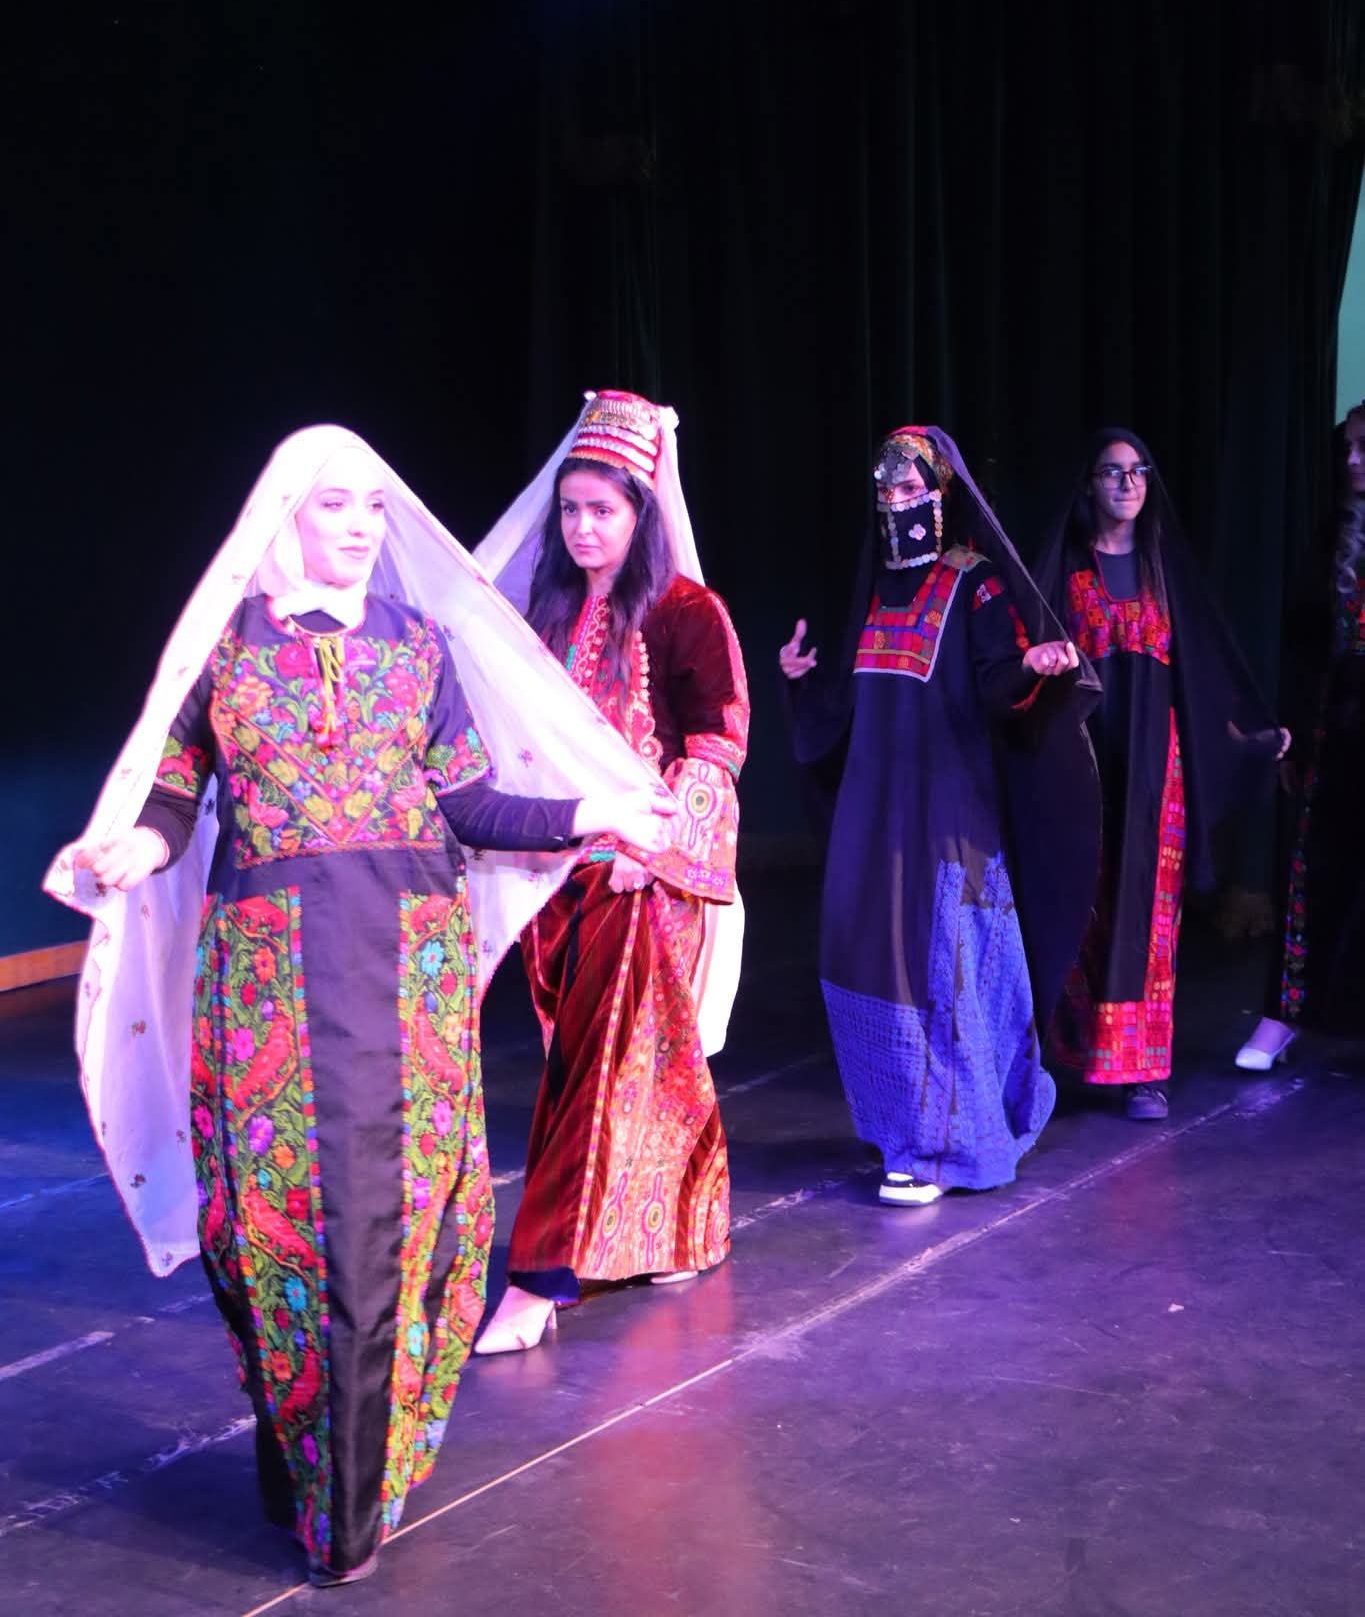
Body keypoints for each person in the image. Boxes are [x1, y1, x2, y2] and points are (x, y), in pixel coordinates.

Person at [44, 426, 676, 1589]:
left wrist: (596, 811)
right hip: (268, 986)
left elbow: (474, 804)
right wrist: (133, 847)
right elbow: (174, 798)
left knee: (396, 1229)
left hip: (406, 979)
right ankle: (312, 1472)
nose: (360, 524)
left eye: (374, 507)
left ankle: (352, 1501)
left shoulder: (419, 646)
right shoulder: (224, 653)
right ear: (284, 511)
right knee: (275, 1227)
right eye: (336, 502)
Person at [471, 390, 749, 1353]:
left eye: (603, 510)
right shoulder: (544, 612)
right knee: (642, 1065)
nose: (583, 528)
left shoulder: (686, 612)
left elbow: (717, 746)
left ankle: (538, 1279)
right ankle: (689, 1225)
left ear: (641, 513)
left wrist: (654, 850)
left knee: (591, 1075)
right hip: (558, 873)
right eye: (571, 510)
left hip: (645, 877)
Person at [781, 426, 1100, 1206]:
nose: (895, 502)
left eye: (909, 488)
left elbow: (995, 684)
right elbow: (848, 698)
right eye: (884, 490)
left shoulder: (973, 582)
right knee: (871, 966)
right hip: (873, 809)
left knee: (940, 968)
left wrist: (1029, 666)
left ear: (939, 494)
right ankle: (900, 1130)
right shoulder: (871, 583)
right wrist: (800, 682)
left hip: (944, 808)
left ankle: (946, 1148)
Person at [1037, 428, 1285, 1120]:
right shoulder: (1065, 568)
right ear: (1088, 484)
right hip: (1084, 761)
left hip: (1155, 766)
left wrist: (1244, 738)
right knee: (1082, 898)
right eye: (1112, 471)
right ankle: (1070, 1054)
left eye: (1139, 470)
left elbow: (1199, 676)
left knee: (1147, 912)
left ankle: (1142, 1070)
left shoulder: (1161, 570)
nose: (1127, 483)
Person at [1239, 399, 1365, 1068]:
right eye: (1347, 448)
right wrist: (1288, 731)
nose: (1351, 461)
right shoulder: (1331, 535)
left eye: (1363, 448)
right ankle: (1282, 1015)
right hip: (1336, 726)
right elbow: (1302, 642)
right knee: (1313, 871)